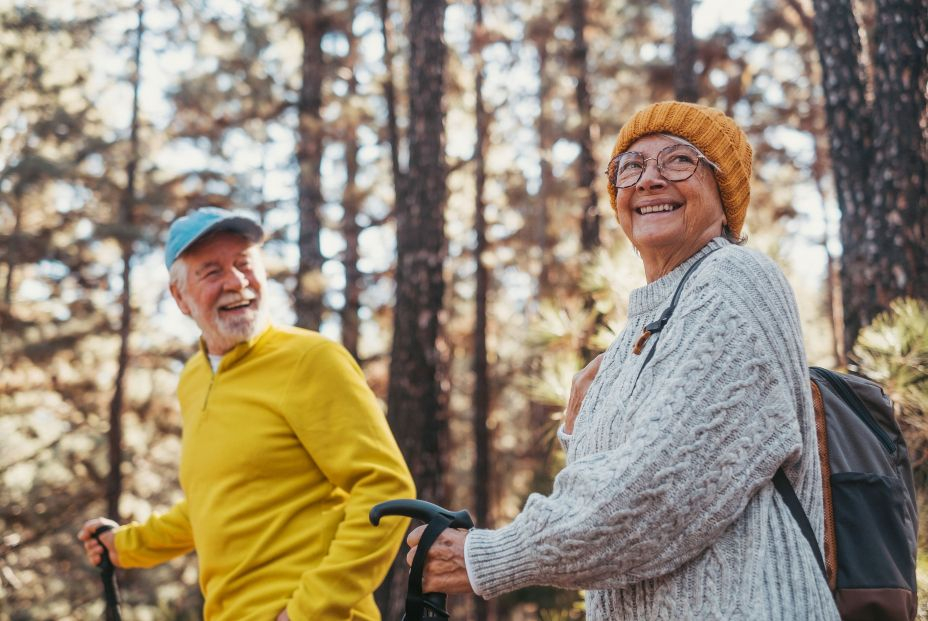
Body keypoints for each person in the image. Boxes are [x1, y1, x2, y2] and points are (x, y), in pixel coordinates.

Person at [407, 102, 840, 619]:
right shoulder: (646, 325)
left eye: (680, 161)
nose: (649, 180)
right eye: (630, 167)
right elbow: (607, 489)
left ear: (726, 198)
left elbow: (660, 491)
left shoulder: (734, 278)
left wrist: (488, 556)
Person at [78, 207, 415, 621]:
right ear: (179, 297)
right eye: (212, 271)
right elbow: (216, 500)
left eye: (244, 264)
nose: (236, 281)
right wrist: (126, 545)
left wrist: (308, 612)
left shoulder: (312, 359)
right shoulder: (193, 379)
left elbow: (385, 487)